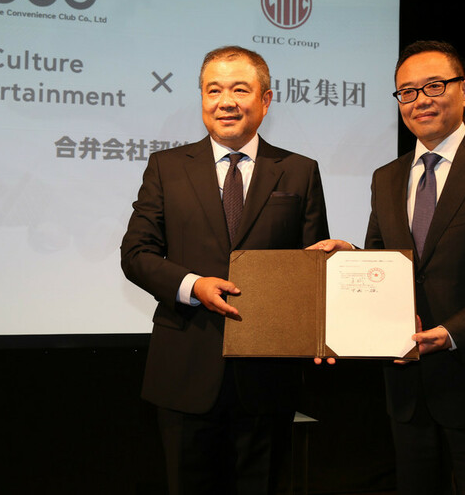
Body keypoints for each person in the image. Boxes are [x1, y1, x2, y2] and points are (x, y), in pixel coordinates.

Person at [310, 40, 465, 494]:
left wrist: (452, 332)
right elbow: (388, 267)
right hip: (409, 390)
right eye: (407, 91)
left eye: (434, 86)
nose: (420, 100)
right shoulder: (387, 177)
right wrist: (350, 259)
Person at [121, 45, 330, 495]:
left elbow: (312, 269)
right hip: (185, 370)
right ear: (201, 98)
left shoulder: (299, 171)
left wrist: (323, 329)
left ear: (266, 100)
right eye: (213, 90)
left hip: (268, 377)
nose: (226, 101)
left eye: (240, 89)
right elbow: (136, 253)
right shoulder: (167, 167)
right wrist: (193, 285)